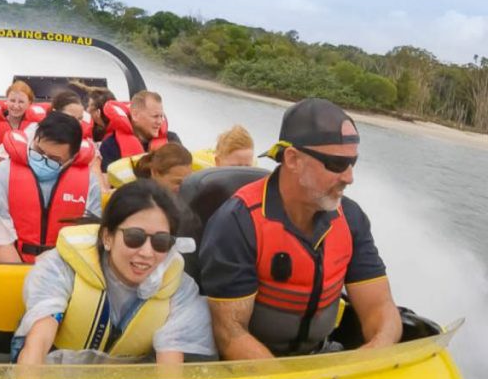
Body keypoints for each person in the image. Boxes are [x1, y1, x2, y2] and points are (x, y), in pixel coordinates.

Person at [199, 98, 402, 358]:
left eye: (353, 163)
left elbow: (380, 307)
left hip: (319, 354)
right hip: (252, 370)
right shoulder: (237, 222)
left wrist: (372, 353)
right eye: (337, 164)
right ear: (293, 159)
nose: (349, 177)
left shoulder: (351, 219)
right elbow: (231, 333)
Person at [12, 179, 215, 365]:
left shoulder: (179, 287)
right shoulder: (61, 267)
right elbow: (37, 344)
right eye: (134, 237)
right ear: (107, 237)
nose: (147, 252)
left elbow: (170, 369)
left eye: (161, 242)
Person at [0, 112, 101, 263]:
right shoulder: (0, 175)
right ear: (34, 138)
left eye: (54, 159)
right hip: (12, 265)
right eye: (38, 151)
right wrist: (21, 278)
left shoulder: (89, 183)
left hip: (65, 266)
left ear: (72, 158)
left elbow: (87, 239)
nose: (43, 160)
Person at [99, 91, 182, 172]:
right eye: (155, 116)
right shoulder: (110, 146)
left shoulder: (172, 140)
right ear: (135, 115)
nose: (160, 121)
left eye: (161, 116)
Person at [0, 80, 47, 160]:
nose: (16, 106)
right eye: (12, 100)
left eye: (21, 102)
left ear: (30, 103)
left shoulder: (36, 127)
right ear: (6, 101)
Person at [107, 142, 193, 193]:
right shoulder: (134, 199)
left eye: (187, 182)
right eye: (178, 182)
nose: (183, 188)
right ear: (155, 173)